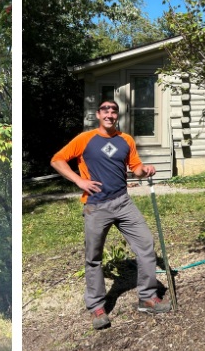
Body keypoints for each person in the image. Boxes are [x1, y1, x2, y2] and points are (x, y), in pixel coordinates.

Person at [51, 100, 172, 330]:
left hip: (123, 202)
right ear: (98, 115)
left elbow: (135, 168)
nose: (110, 114)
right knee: (93, 257)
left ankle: (147, 297)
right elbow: (57, 160)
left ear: (117, 115)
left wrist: (145, 170)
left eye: (113, 110)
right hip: (96, 206)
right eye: (105, 110)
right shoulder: (84, 139)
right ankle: (97, 307)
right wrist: (79, 180)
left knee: (146, 244)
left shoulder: (125, 140)